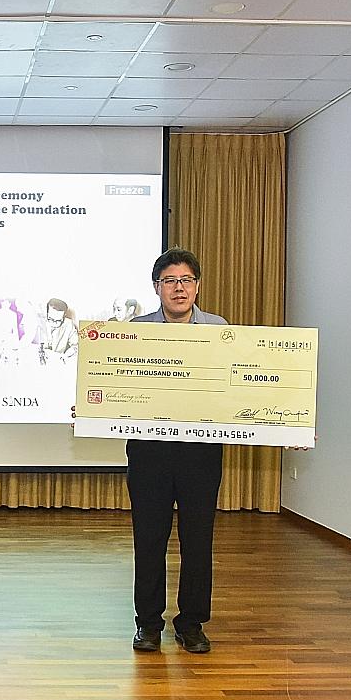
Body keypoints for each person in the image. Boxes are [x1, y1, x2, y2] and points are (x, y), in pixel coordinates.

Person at [126, 248, 227, 655]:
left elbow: (232, 391)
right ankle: (148, 623)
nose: (179, 288)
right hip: (150, 453)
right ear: (157, 288)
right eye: (170, 281)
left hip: (200, 454)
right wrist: (95, 405)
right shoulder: (135, 330)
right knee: (149, 538)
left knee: (197, 539)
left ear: (197, 285)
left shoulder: (220, 330)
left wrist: (284, 423)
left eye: (186, 280)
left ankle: (191, 622)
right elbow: (124, 387)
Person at [37, 297, 78, 365]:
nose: (53, 323)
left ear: (64, 316)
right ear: (47, 313)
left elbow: (76, 345)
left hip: (57, 364)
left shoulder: (68, 325)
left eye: (58, 321)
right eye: (51, 319)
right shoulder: (39, 322)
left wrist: (67, 355)